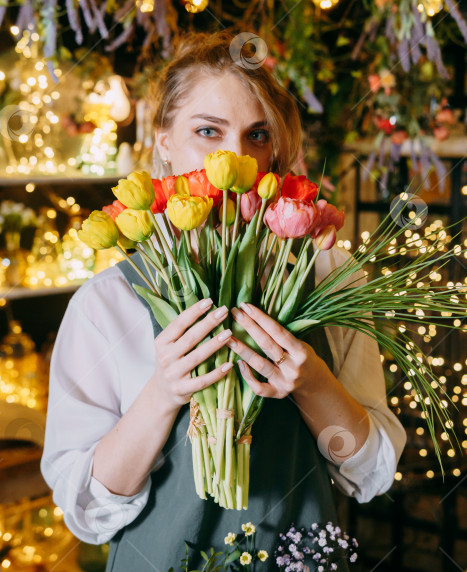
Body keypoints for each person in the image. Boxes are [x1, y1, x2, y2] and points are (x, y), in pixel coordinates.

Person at [41, 30, 406, 571]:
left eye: (258, 135)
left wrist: (312, 385)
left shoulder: (329, 275)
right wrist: (163, 393)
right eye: (207, 131)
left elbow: (369, 473)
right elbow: (88, 510)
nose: (236, 158)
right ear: (164, 139)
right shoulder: (108, 302)